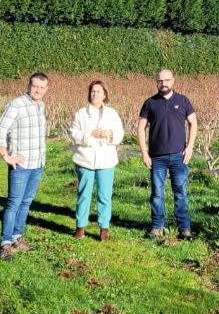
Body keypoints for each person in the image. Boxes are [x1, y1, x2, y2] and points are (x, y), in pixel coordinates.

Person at [0, 72, 49, 261]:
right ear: (29, 85)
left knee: (26, 203)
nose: (38, 90)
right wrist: (6, 156)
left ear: (46, 89)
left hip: (37, 164)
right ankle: (5, 244)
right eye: (35, 86)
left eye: (42, 87)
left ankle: (17, 237)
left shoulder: (41, 105)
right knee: (14, 203)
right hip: (21, 166)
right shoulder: (17, 104)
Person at [136, 69, 197, 240]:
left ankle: (184, 228)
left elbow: (193, 123)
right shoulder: (150, 103)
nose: (164, 84)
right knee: (157, 193)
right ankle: (157, 227)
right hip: (157, 158)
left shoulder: (183, 101)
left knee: (181, 192)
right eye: (160, 81)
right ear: (156, 82)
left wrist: (190, 147)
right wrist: (144, 153)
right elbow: (141, 128)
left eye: (167, 80)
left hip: (179, 156)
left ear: (173, 81)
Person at [69, 80, 124, 241]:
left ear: (105, 94)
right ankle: (80, 227)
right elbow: (74, 133)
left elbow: (119, 133)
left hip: (106, 161)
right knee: (84, 194)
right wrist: (91, 134)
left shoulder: (112, 114)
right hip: (84, 159)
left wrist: (110, 134)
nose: (95, 94)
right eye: (93, 91)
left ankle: (104, 228)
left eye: (98, 91)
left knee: (104, 195)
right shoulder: (80, 113)